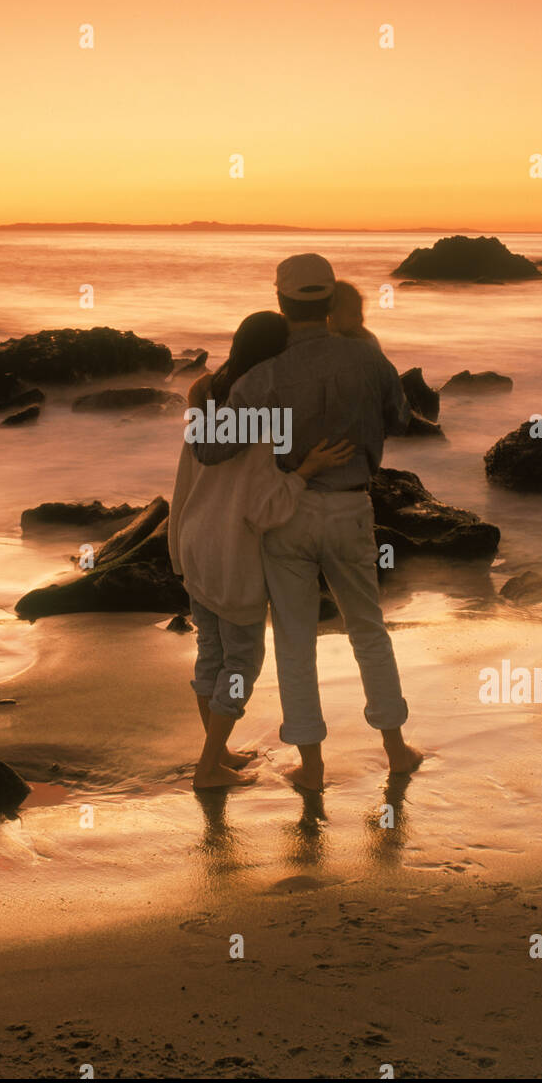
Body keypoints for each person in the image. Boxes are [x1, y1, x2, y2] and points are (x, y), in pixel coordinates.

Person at [191, 254, 422, 791]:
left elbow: (210, 449)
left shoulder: (263, 377)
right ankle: (395, 750)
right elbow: (402, 419)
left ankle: (312, 767)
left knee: (296, 641)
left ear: (281, 302)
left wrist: (198, 398)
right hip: (349, 507)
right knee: (368, 629)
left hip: (288, 512)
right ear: (328, 301)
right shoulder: (368, 360)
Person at [169, 310, 353, 790]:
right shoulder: (266, 418)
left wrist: (175, 547)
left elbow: (183, 482)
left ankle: (218, 749)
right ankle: (207, 769)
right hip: (233, 554)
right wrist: (306, 472)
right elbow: (263, 510)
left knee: (210, 652)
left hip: (193, 541)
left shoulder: (205, 396)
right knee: (242, 664)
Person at [328, 279, 381, 350]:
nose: (361, 319)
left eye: (360, 312)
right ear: (334, 315)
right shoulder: (329, 343)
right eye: (354, 314)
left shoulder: (367, 339)